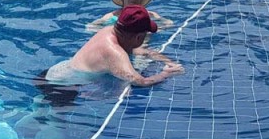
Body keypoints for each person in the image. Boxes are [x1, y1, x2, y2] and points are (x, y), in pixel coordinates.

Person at [48, 5, 184, 87]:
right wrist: (165, 74)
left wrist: (167, 61)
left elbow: (142, 51)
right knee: (53, 127)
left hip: (56, 72)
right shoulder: (115, 52)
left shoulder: (107, 31)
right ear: (138, 37)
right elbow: (140, 82)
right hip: (63, 85)